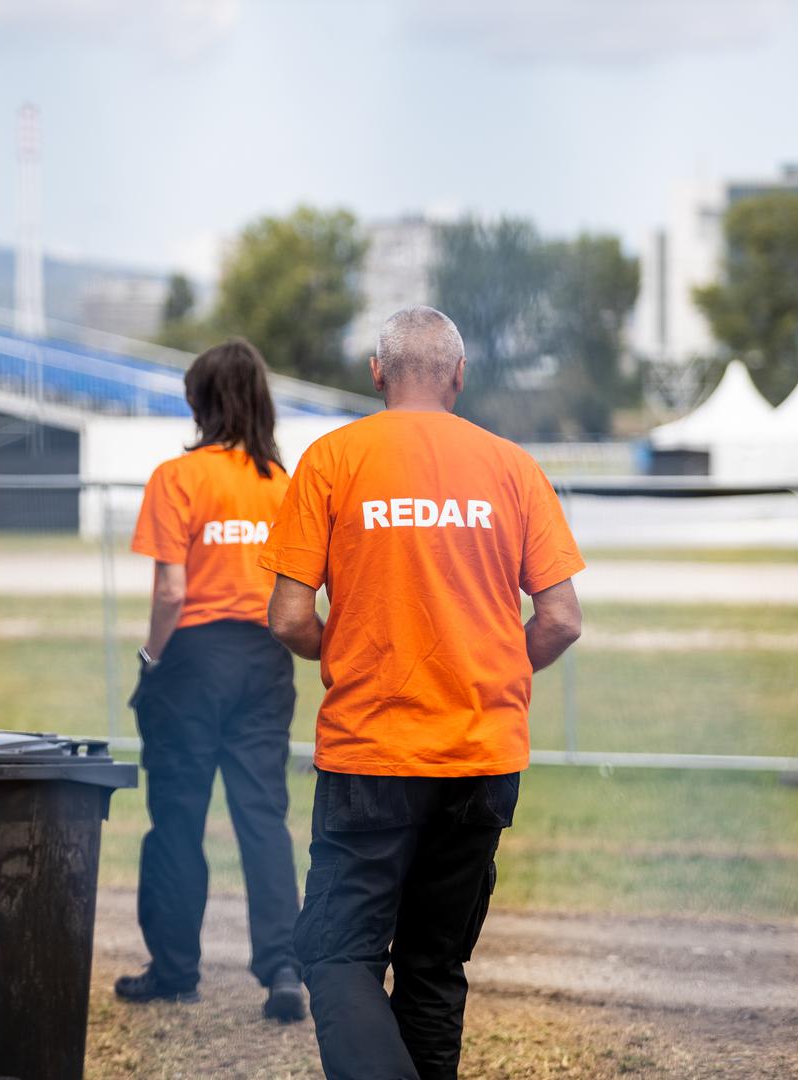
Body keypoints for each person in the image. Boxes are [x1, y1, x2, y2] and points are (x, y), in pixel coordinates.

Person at [259, 306, 584, 1078]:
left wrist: (340, 652)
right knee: (433, 967)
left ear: (376, 374)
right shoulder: (511, 466)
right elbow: (562, 619)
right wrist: (493, 668)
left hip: (371, 751)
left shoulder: (333, 458)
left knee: (336, 951)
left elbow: (286, 615)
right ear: (458, 377)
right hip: (480, 753)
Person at [115, 338, 307, 1024]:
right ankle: (283, 966)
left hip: (191, 659)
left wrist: (151, 659)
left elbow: (171, 590)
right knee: (262, 818)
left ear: (200, 402)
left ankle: (174, 971)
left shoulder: (178, 476)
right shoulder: (283, 485)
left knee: (177, 819)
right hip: (265, 659)